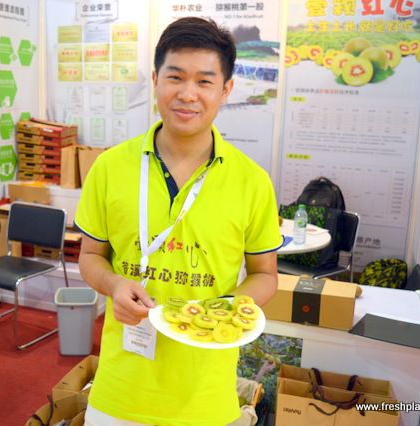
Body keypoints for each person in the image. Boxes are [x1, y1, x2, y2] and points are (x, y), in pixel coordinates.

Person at [75, 17, 282, 426]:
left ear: (226, 90)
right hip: (119, 391)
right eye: (175, 77)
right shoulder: (110, 167)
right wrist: (114, 284)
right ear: (155, 80)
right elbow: (89, 257)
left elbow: (265, 275)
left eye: (204, 81)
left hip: (205, 397)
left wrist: (226, 309)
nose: (188, 94)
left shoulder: (252, 181)